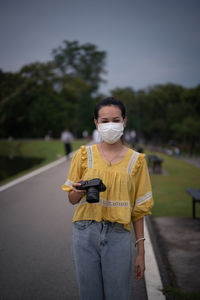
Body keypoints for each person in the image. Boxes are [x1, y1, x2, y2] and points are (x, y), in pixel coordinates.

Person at [62, 97, 154, 300]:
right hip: (84, 233)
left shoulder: (137, 161)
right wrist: (79, 191)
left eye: (115, 119)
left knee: (118, 295)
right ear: (96, 123)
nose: (110, 125)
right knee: (89, 295)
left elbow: (139, 210)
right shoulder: (83, 155)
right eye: (104, 121)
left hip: (118, 235)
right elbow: (71, 199)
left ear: (124, 121)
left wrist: (141, 252)